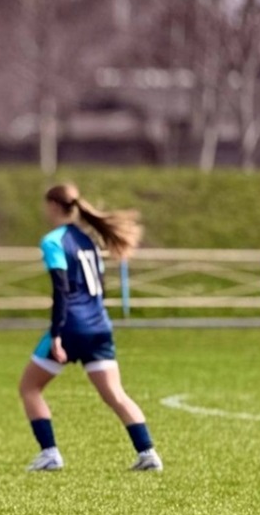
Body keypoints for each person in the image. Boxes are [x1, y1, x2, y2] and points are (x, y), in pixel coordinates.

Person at [19, 183, 161, 472]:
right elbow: (101, 288)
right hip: (99, 325)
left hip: (72, 326)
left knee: (29, 388)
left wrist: (56, 334)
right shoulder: (88, 240)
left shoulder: (53, 241)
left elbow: (61, 290)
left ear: (53, 206)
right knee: (115, 394)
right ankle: (148, 453)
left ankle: (50, 454)